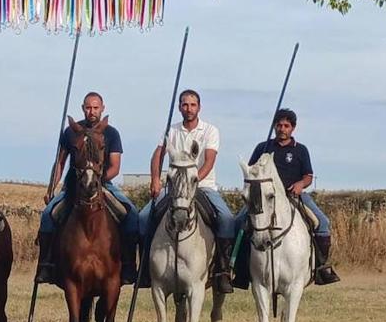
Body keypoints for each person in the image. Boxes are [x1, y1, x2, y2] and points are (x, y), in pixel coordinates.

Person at [137, 89, 236, 293]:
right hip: (173, 188)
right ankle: (145, 270)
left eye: (192, 104)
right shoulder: (171, 130)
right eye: (184, 104)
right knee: (144, 216)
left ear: (199, 107)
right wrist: (156, 179)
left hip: (204, 185)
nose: (188, 108)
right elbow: (158, 155)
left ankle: (222, 270)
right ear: (179, 107)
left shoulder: (210, 130)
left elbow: (209, 160)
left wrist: (194, 180)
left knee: (226, 219)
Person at [36, 91, 139, 284]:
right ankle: (46, 265)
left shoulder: (111, 133)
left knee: (132, 214)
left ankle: (128, 265)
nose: (91, 111)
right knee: (48, 215)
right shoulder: (71, 132)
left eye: (95, 108)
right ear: (83, 108)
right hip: (74, 187)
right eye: (88, 107)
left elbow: (115, 166)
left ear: (102, 109)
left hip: (103, 184)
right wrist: (51, 188)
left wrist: (97, 182)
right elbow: (59, 163)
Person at [240, 107, 339, 285]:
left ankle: (321, 268)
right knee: (237, 223)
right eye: (279, 125)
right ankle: (239, 270)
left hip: (294, 196)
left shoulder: (301, 150)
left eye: (286, 126)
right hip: (264, 198)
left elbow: (308, 176)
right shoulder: (262, 148)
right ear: (274, 127)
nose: (282, 129)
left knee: (323, 223)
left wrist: (301, 185)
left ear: (293, 128)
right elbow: (250, 172)